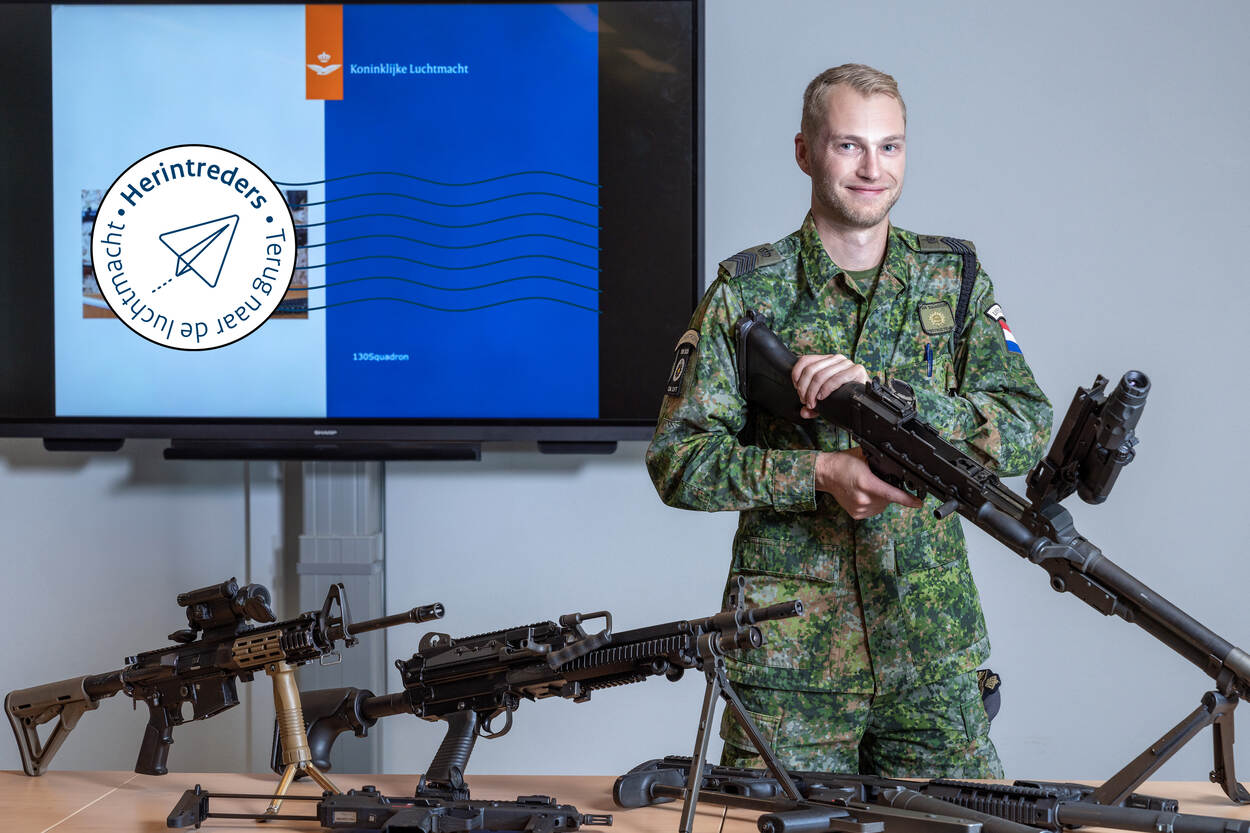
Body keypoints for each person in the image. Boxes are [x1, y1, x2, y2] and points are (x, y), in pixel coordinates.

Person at [645, 64, 1052, 778]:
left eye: (889, 146)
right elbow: (679, 461)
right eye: (848, 146)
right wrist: (819, 472)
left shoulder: (952, 279)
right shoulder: (747, 292)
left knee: (964, 826)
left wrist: (897, 397)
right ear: (805, 152)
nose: (872, 168)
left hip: (930, 648)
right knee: (771, 825)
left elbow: (1026, 426)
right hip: (789, 657)